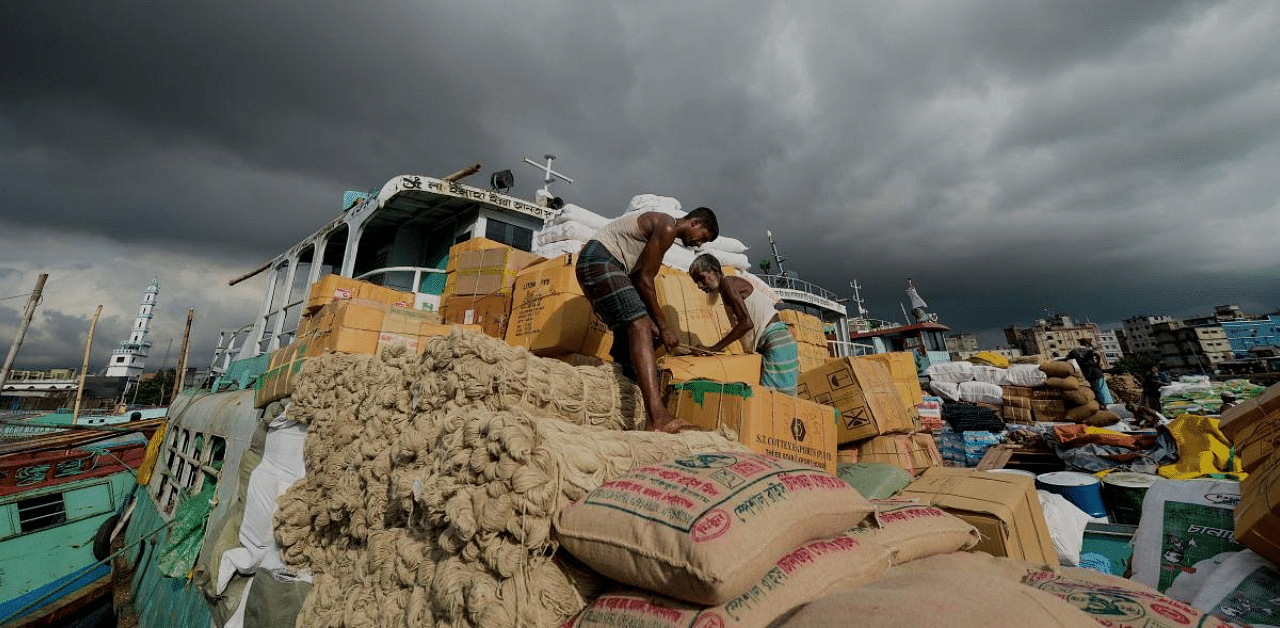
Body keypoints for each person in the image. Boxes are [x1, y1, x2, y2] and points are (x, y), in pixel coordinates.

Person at [575, 206, 719, 432]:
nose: (699, 244)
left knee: (639, 334)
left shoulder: (665, 230)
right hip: (599, 260)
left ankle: (624, 409)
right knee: (641, 325)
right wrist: (663, 325)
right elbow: (644, 278)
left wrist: (655, 325)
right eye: (703, 237)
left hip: (602, 265)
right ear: (695, 223)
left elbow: (637, 275)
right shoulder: (668, 226)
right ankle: (657, 418)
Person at [687, 253, 799, 395]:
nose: (699, 286)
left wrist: (713, 348)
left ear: (715, 272)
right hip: (778, 342)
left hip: (777, 342)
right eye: (696, 282)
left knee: (775, 402)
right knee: (780, 403)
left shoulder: (728, 284)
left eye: (702, 279)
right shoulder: (727, 287)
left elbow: (746, 323)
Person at [1065, 338, 1113, 405]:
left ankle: (1104, 405)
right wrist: (1098, 364)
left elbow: (1067, 358)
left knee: (1096, 390)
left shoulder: (1075, 351)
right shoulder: (1089, 350)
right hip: (1096, 371)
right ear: (1087, 343)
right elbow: (1098, 355)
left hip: (1087, 373)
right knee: (1102, 390)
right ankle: (1108, 405)